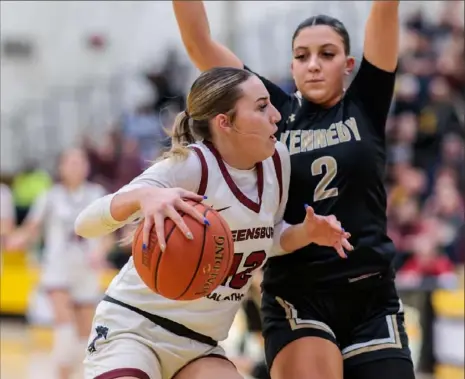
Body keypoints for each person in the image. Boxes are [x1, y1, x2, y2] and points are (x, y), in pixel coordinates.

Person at [173, 1, 416, 379]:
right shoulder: (271, 111)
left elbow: (385, 10)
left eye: (327, 54)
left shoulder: (366, 102)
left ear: (348, 65)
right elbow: (199, 43)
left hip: (371, 296)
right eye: (302, 56)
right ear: (291, 67)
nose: (313, 64)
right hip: (299, 296)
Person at [74, 67, 352, 379]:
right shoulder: (190, 166)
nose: (276, 115)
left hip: (199, 345)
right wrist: (143, 198)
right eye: (262, 107)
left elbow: (263, 240)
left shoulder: (278, 161)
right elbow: (84, 224)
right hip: (133, 329)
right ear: (225, 123)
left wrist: (306, 232)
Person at [5, 148, 113, 379]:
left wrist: (101, 252)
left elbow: (109, 236)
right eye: (71, 162)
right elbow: (31, 229)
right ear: (61, 167)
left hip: (86, 272)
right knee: (64, 333)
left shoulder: (97, 194)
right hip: (57, 270)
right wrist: (15, 240)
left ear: (87, 166)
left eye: (80, 162)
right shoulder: (50, 196)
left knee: (86, 339)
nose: (76, 166)